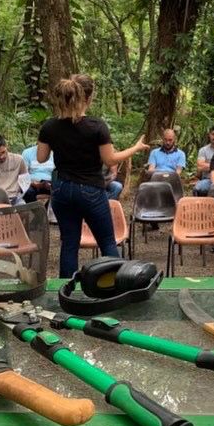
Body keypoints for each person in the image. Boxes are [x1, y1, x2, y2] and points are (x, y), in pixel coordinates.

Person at [38, 74, 148, 278]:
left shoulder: (49, 126)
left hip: (61, 189)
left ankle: (66, 291)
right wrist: (136, 148)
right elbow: (110, 160)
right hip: (90, 190)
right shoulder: (97, 126)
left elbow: (41, 157)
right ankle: (116, 287)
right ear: (88, 98)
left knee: (69, 242)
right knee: (107, 240)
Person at [193, 124, 214, 196]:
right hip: (207, 180)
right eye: (213, 134)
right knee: (197, 188)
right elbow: (200, 167)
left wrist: (208, 165)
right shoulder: (203, 150)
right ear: (209, 135)